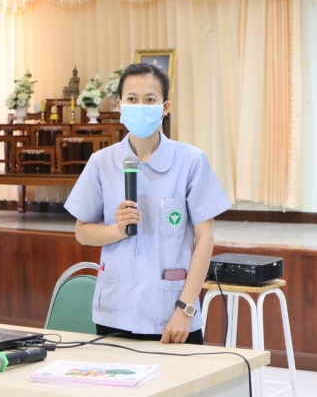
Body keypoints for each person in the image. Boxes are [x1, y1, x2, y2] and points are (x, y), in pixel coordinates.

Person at [64, 63, 231, 345]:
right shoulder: (102, 162)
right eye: (132, 99)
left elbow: (205, 238)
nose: (140, 106)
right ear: (119, 105)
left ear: (165, 107)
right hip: (115, 313)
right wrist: (117, 230)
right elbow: (82, 232)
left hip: (172, 314)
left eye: (150, 99)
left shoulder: (190, 161)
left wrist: (185, 309)